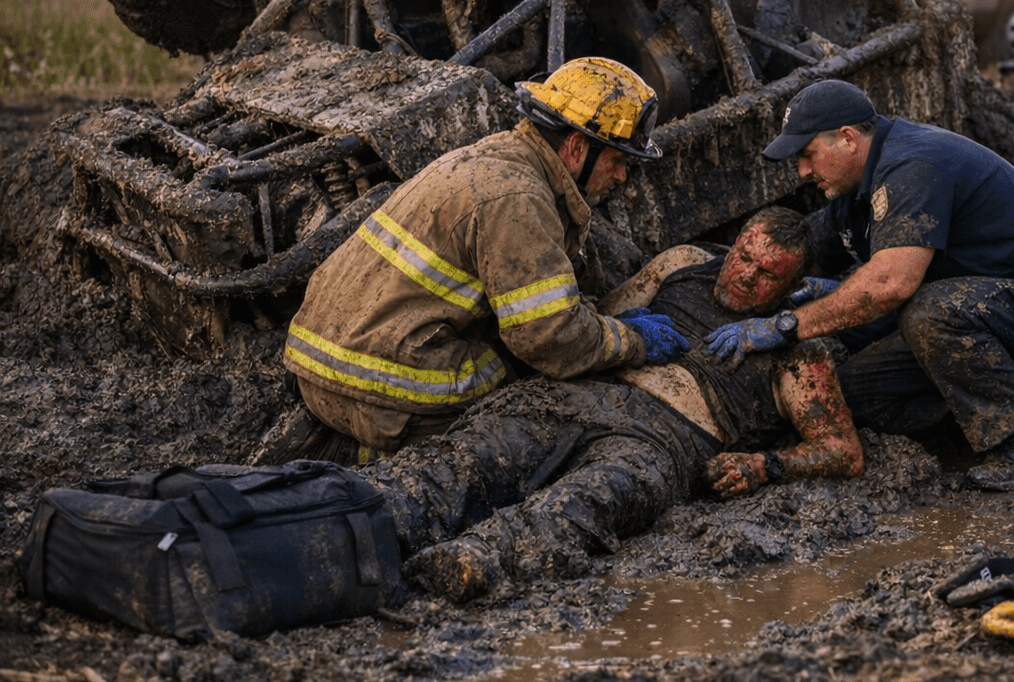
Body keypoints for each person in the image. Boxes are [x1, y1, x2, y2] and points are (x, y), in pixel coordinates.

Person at [356, 207, 863, 602]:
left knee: (581, 505)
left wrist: (764, 465)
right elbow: (596, 320)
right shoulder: (682, 263)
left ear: (794, 286)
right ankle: (364, 516)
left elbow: (842, 449)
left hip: (662, 441)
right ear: (733, 245)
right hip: (581, 398)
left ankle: (474, 562)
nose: (747, 276)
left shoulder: (800, 351)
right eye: (743, 257)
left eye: (768, 274)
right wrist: (624, 334)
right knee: (468, 460)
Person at [277, 56, 692, 465]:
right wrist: (630, 342)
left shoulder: (497, 158)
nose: (621, 177)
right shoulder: (518, 200)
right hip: (367, 390)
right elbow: (549, 338)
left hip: (318, 364)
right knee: (523, 387)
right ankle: (374, 458)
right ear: (577, 147)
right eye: (617, 161)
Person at [706, 80, 1014, 491]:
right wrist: (715, 271)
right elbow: (802, 246)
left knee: (929, 311)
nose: (802, 171)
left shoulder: (913, 164)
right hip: (993, 320)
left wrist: (784, 325)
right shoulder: (852, 190)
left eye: (808, 155)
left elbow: (891, 283)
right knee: (850, 396)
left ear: (847, 138)